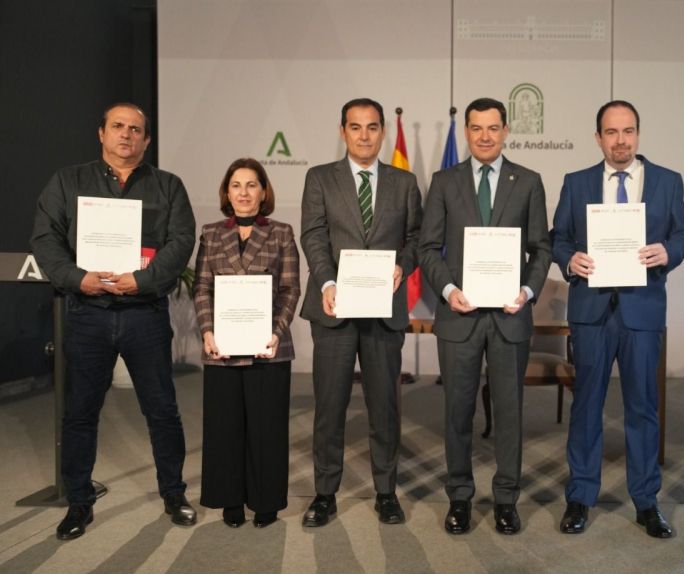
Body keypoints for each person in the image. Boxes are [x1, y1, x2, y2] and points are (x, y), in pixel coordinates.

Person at [31, 102, 197, 540]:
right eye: (118, 126)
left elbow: (181, 242)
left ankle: (174, 493)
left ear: (147, 140)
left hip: (145, 312)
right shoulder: (67, 182)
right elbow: (45, 240)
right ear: (101, 133)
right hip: (88, 312)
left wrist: (142, 280)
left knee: (162, 411)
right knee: (80, 412)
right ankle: (78, 502)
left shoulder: (168, 186)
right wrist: (77, 278)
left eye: (136, 129)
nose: (126, 135)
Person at [551, 100, 684, 538]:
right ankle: (580, 497)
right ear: (598, 138)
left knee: (643, 408)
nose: (620, 140)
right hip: (591, 311)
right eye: (611, 132)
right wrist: (569, 259)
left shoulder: (668, 181)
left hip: (641, 310)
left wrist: (668, 251)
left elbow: (683, 235)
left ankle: (647, 501)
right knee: (586, 407)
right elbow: (558, 238)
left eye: (628, 131)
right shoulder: (576, 182)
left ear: (638, 134)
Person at [418, 97, 551, 535]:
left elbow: (542, 248)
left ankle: (506, 500)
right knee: (457, 412)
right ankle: (459, 497)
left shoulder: (528, 182)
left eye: (493, 128)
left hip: (510, 317)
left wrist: (527, 291)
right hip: (460, 316)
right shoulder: (444, 182)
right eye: (476, 128)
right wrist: (449, 290)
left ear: (506, 131)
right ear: (467, 132)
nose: (485, 136)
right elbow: (427, 247)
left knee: (509, 412)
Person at [299, 98, 422, 526]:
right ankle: (324, 494)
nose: (364, 135)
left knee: (384, 407)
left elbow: (416, 237)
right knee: (330, 407)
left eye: (372, 127)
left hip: (383, 310)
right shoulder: (320, 178)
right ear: (343, 131)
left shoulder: (404, 182)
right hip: (334, 307)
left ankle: (386, 492)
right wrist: (328, 282)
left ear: (383, 132)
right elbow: (313, 235)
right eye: (355, 127)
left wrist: (403, 265)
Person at [193, 158, 300, 528]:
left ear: (264, 192)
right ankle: (231, 500)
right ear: (226, 192)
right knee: (224, 428)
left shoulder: (282, 232)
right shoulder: (210, 233)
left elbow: (290, 289)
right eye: (236, 185)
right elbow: (201, 287)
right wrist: (207, 331)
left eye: (251, 185)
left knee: (267, 429)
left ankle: (265, 501)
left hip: (268, 347)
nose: (243, 192)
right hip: (220, 347)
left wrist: (276, 332)